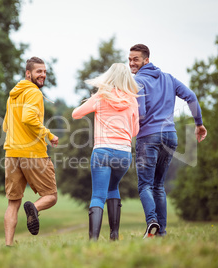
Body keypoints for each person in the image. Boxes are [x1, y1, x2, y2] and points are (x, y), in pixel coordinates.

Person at [128, 44, 207, 238]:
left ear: (146, 60)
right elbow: (191, 96)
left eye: (135, 59)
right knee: (158, 185)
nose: (131, 63)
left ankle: (152, 222)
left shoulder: (137, 81)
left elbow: (142, 113)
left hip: (149, 137)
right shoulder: (169, 78)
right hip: (170, 136)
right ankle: (161, 232)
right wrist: (199, 124)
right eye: (129, 59)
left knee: (145, 185)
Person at [72, 63, 140, 241]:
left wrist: (93, 99)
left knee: (98, 195)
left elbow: (76, 114)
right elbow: (134, 132)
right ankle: (114, 235)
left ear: (109, 77)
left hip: (102, 151)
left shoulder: (101, 96)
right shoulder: (132, 100)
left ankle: (93, 239)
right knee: (113, 187)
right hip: (124, 154)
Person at [3, 57, 59, 246]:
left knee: (13, 202)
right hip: (33, 152)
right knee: (51, 196)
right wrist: (49, 134)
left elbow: (5, 125)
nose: (42, 75)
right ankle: (33, 208)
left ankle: (8, 245)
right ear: (28, 74)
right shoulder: (34, 92)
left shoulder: (13, 95)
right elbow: (28, 118)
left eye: (44, 71)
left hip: (11, 153)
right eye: (38, 72)